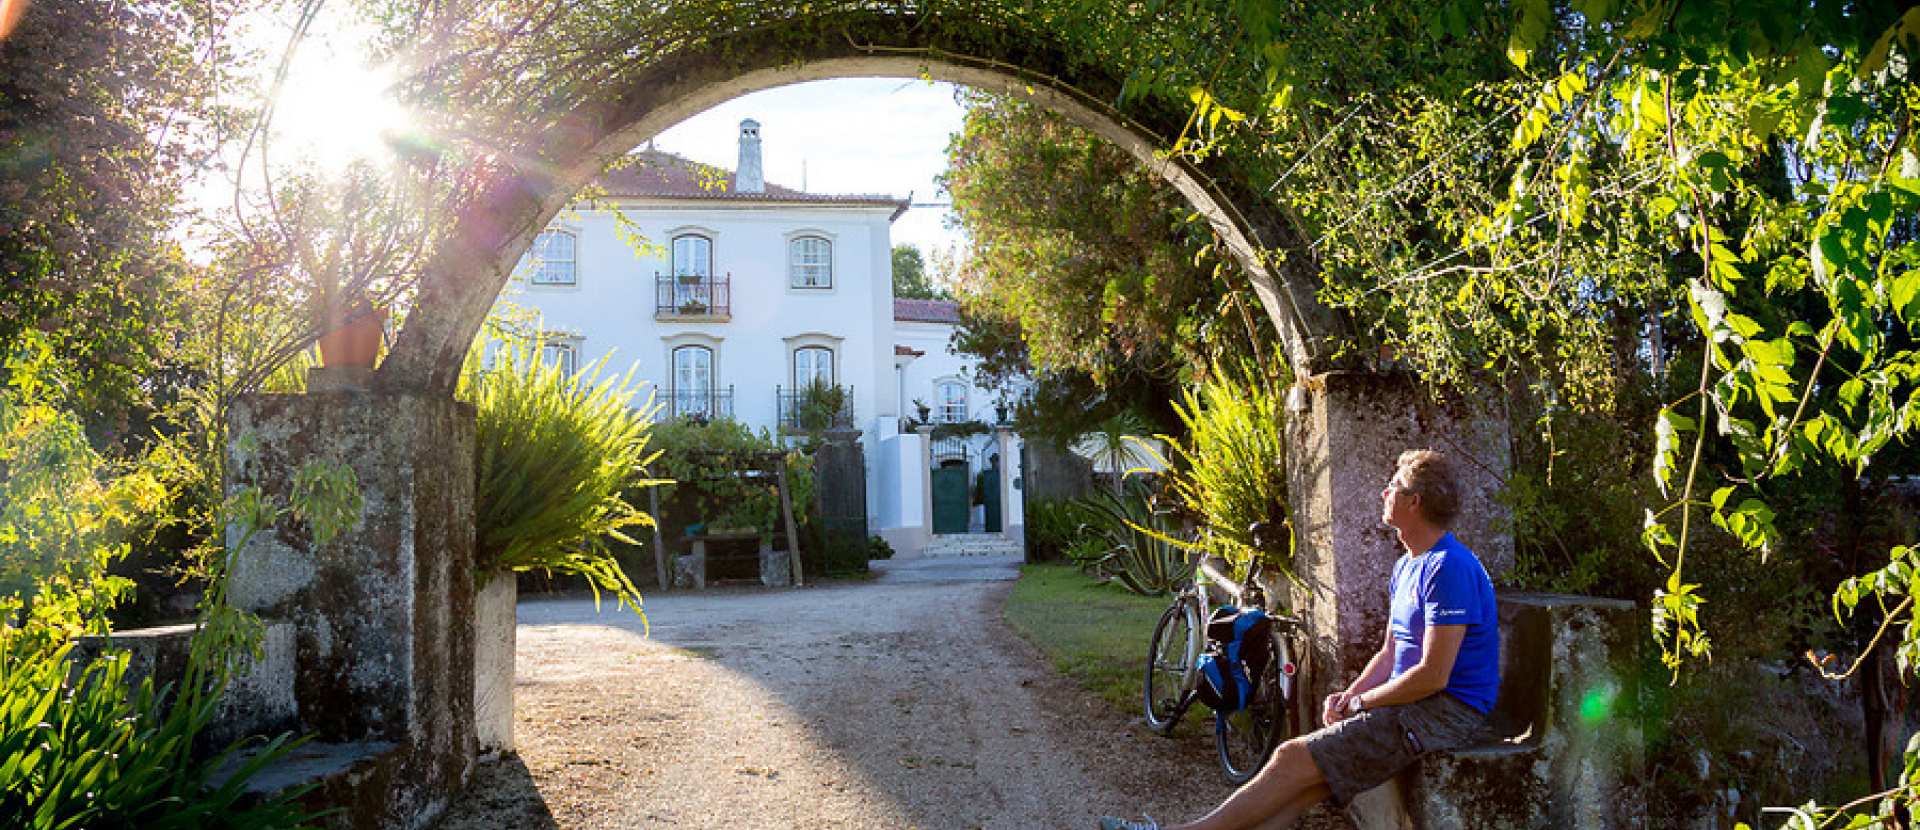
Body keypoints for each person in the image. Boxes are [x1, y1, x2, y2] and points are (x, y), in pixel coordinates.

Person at [1101, 449, 1499, 830]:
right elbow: (1392, 651)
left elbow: (1433, 675)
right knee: (1299, 788)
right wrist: (1349, 696)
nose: (1384, 492)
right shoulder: (1407, 565)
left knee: (1291, 757)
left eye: (1393, 485)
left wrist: (1362, 702)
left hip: (1447, 712)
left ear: (1414, 502)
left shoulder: (1449, 568)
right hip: (1415, 705)